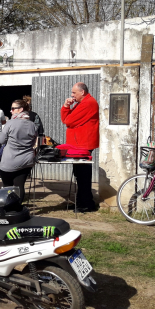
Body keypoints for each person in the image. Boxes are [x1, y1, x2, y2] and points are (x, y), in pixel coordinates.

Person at [61, 82, 99, 213]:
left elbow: (68, 121)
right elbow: (65, 119)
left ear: (82, 92)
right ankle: (82, 202)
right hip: (77, 145)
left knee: (83, 175)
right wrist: (66, 106)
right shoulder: (81, 103)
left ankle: (86, 204)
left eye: (74, 93)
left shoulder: (88, 103)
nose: (72, 95)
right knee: (79, 175)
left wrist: (67, 109)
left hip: (83, 145)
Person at [0, 100, 37, 203]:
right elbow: (33, 142)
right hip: (26, 160)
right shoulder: (32, 125)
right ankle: (18, 208)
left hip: (10, 160)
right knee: (20, 187)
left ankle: (9, 209)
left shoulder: (10, 123)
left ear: (20, 110)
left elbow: (1, 140)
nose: (11, 111)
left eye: (13, 108)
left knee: (7, 187)